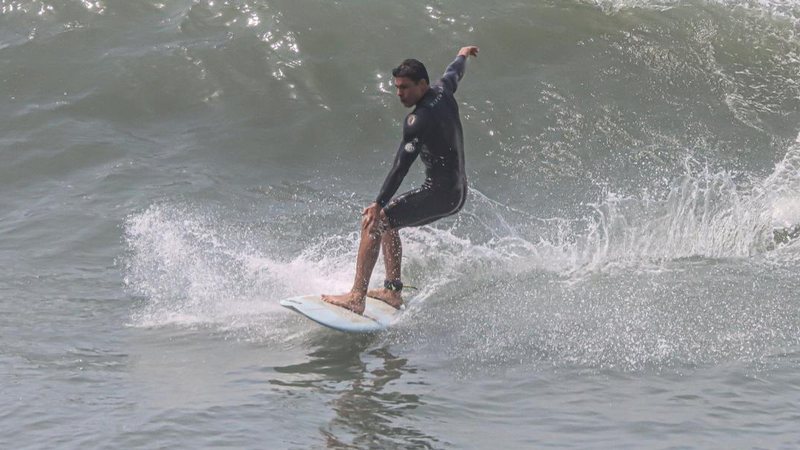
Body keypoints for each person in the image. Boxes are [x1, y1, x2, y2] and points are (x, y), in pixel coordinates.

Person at [323, 45, 480, 314]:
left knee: (376, 222)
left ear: (422, 84)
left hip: (441, 194)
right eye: (397, 87)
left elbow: (400, 167)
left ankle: (356, 298)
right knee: (390, 221)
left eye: (405, 87)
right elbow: (454, 72)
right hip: (456, 192)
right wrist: (462, 55)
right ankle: (392, 292)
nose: (399, 94)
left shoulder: (419, 119)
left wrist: (377, 203)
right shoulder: (443, 91)